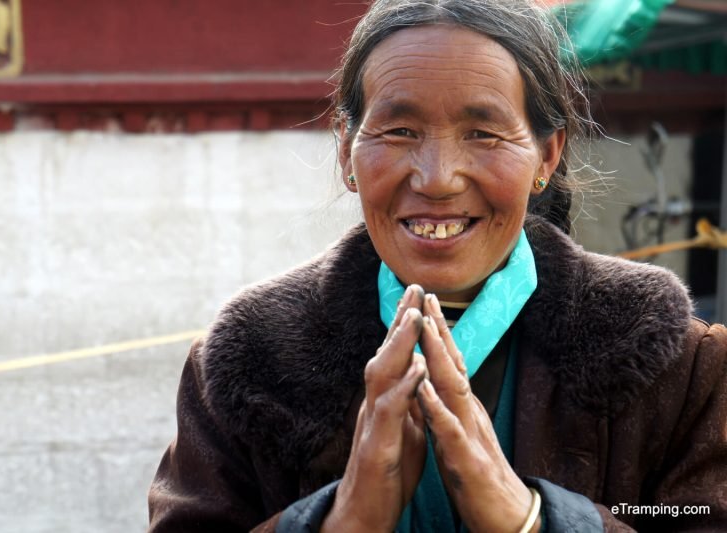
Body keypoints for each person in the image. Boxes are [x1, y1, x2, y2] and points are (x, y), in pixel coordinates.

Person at [147, 0, 727, 531]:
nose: (437, 178)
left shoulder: (678, 366)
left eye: (482, 133)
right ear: (348, 149)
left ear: (546, 155)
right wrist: (342, 518)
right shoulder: (247, 362)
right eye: (399, 131)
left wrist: (529, 519)